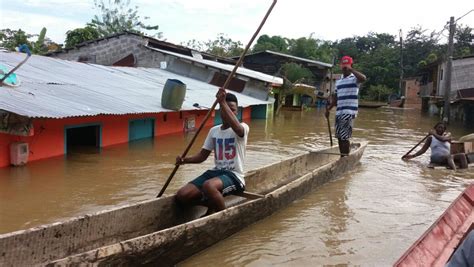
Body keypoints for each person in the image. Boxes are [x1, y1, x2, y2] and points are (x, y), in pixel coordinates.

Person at [175, 88, 249, 215]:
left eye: (233, 109)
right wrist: (184, 160)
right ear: (220, 112)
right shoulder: (214, 131)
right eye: (226, 109)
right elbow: (202, 156)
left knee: (209, 186)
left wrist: (223, 103)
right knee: (182, 195)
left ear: (236, 113)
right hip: (216, 173)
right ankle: (212, 203)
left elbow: (237, 128)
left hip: (234, 175)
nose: (229, 111)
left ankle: (223, 217)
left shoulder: (243, 127)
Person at [325, 56, 367, 156]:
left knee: (344, 136)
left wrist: (351, 69)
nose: (345, 68)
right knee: (339, 136)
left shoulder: (354, 79)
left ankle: (345, 157)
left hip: (349, 112)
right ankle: (343, 156)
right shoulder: (339, 81)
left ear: (351, 65)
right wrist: (329, 109)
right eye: (343, 66)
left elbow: (363, 78)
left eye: (347, 66)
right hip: (339, 111)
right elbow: (336, 98)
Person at [402, 122, 468, 170]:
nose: (440, 129)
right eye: (439, 127)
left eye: (442, 128)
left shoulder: (448, 136)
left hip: (447, 158)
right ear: (435, 128)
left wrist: (433, 133)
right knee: (449, 156)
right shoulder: (430, 138)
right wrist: (413, 156)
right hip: (436, 158)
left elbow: (442, 139)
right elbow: (423, 150)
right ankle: (454, 172)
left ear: (444, 130)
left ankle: (464, 172)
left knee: (462, 155)